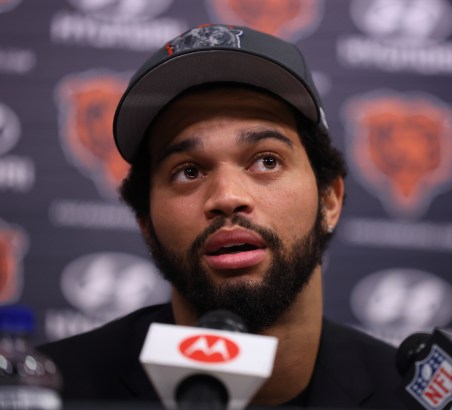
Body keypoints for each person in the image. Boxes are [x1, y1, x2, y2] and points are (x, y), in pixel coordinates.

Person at [39, 24, 405, 409]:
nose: (227, 197)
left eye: (267, 160)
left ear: (329, 199)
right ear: (146, 224)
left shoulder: (410, 398)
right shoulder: (50, 394)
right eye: (188, 171)